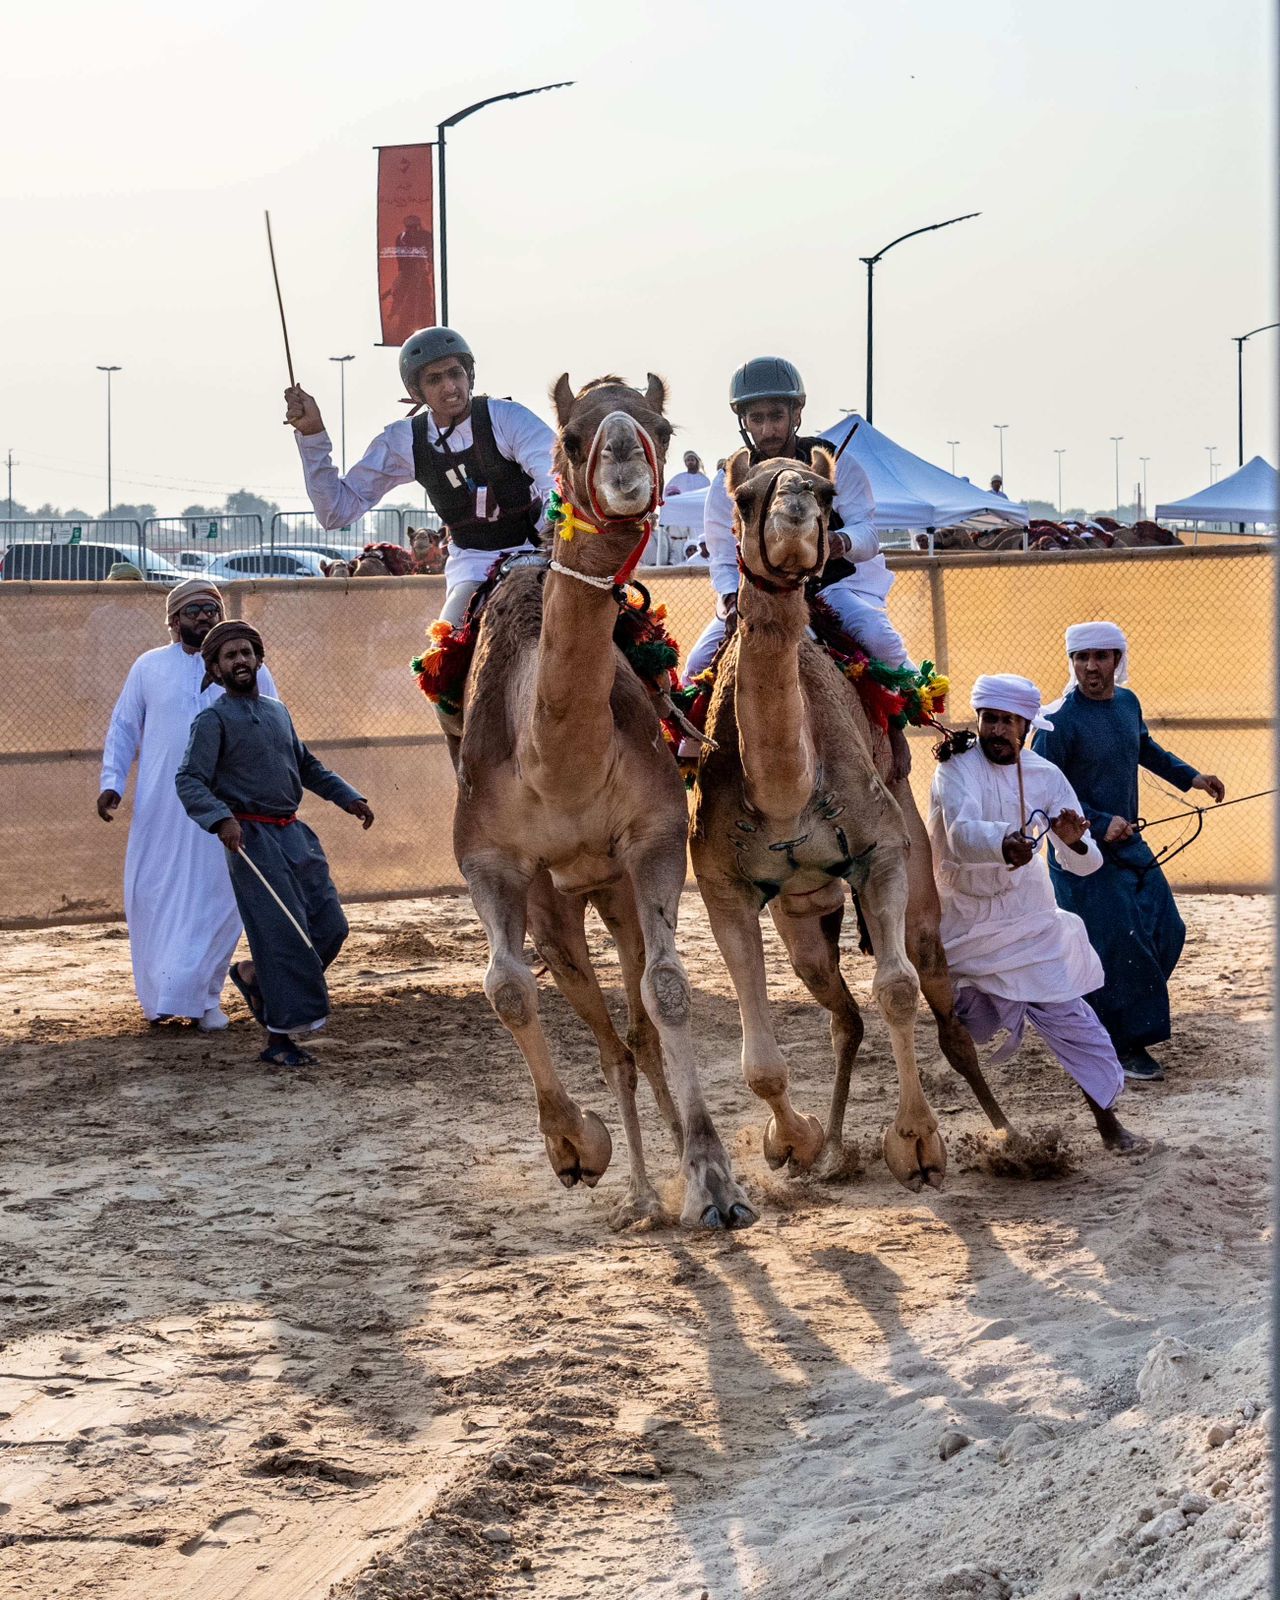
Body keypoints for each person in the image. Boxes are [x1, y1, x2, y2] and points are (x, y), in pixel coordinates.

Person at [928, 674, 1144, 1153]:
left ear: (1027, 727)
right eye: (992, 719)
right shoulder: (955, 767)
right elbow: (961, 833)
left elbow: (1085, 864)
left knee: (1077, 1022)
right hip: (964, 923)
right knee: (966, 1024)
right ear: (979, 720)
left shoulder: (1046, 775)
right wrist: (1004, 843)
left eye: (1010, 722)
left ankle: (1110, 1126)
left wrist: (1072, 840)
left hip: (1031, 918)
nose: (999, 730)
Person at [175, 621, 374, 1067]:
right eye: (229, 657)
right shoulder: (212, 720)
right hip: (250, 839)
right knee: (282, 935)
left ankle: (254, 978)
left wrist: (349, 797)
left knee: (330, 926)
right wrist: (221, 819)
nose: (240, 661)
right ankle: (278, 1040)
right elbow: (189, 779)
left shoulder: (277, 711)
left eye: (246, 653)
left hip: (295, 834)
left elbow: (307, 765)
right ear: (214, 669)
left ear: (259, 660)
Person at [1033, 621, 1225, 1082]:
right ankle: (1124, 1043)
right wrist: (1098, 821)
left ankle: (1106, 1017)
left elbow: (1144, 746)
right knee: (1123, 944)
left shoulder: (1127, 703)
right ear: (1072, 661)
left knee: (1167, 930)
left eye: (1101, 656)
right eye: (1082, 657)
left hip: (1130, 847)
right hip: (1080, 855)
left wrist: (1191, 777)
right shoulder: (1057, 722)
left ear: (1118, 660)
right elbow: (1041, 790)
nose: (1091, 666)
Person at [97, 578, 279, 1031]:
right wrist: (112, 781)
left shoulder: (244, 665)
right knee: (151, 896)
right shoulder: (149, 666)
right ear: (174, 621)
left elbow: (274, 727)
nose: (204, 616)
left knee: (218, 901)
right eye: (194, 609)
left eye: (210, 608)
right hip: (161, 806)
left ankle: (204, 998)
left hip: (224, 807)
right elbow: (124, 727)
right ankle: (160, 997)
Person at [284, 327, 555, 627]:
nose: (450, 387)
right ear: (417, 392)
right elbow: (336, 511)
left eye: (456, 374)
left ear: (470, 376)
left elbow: (556, 480)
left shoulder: (507, 417)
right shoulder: (403, 440)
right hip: (474, 568)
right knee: (442, 653)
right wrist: (312, 435)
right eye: (435, 379)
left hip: (541, 552)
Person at [684, 357, 910, 680]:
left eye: (776, 416)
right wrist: (733, 599)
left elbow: (869, 533)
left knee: (880, 640)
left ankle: (917, 718)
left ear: (797, 414)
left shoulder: (833, 460)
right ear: (744, 421)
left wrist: (839, 542)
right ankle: (682, 732)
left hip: (829, 589)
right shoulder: (730, 478)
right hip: (757, 597)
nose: (767, 429)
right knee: (695, 665)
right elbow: (721, 553)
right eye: (756, 418)